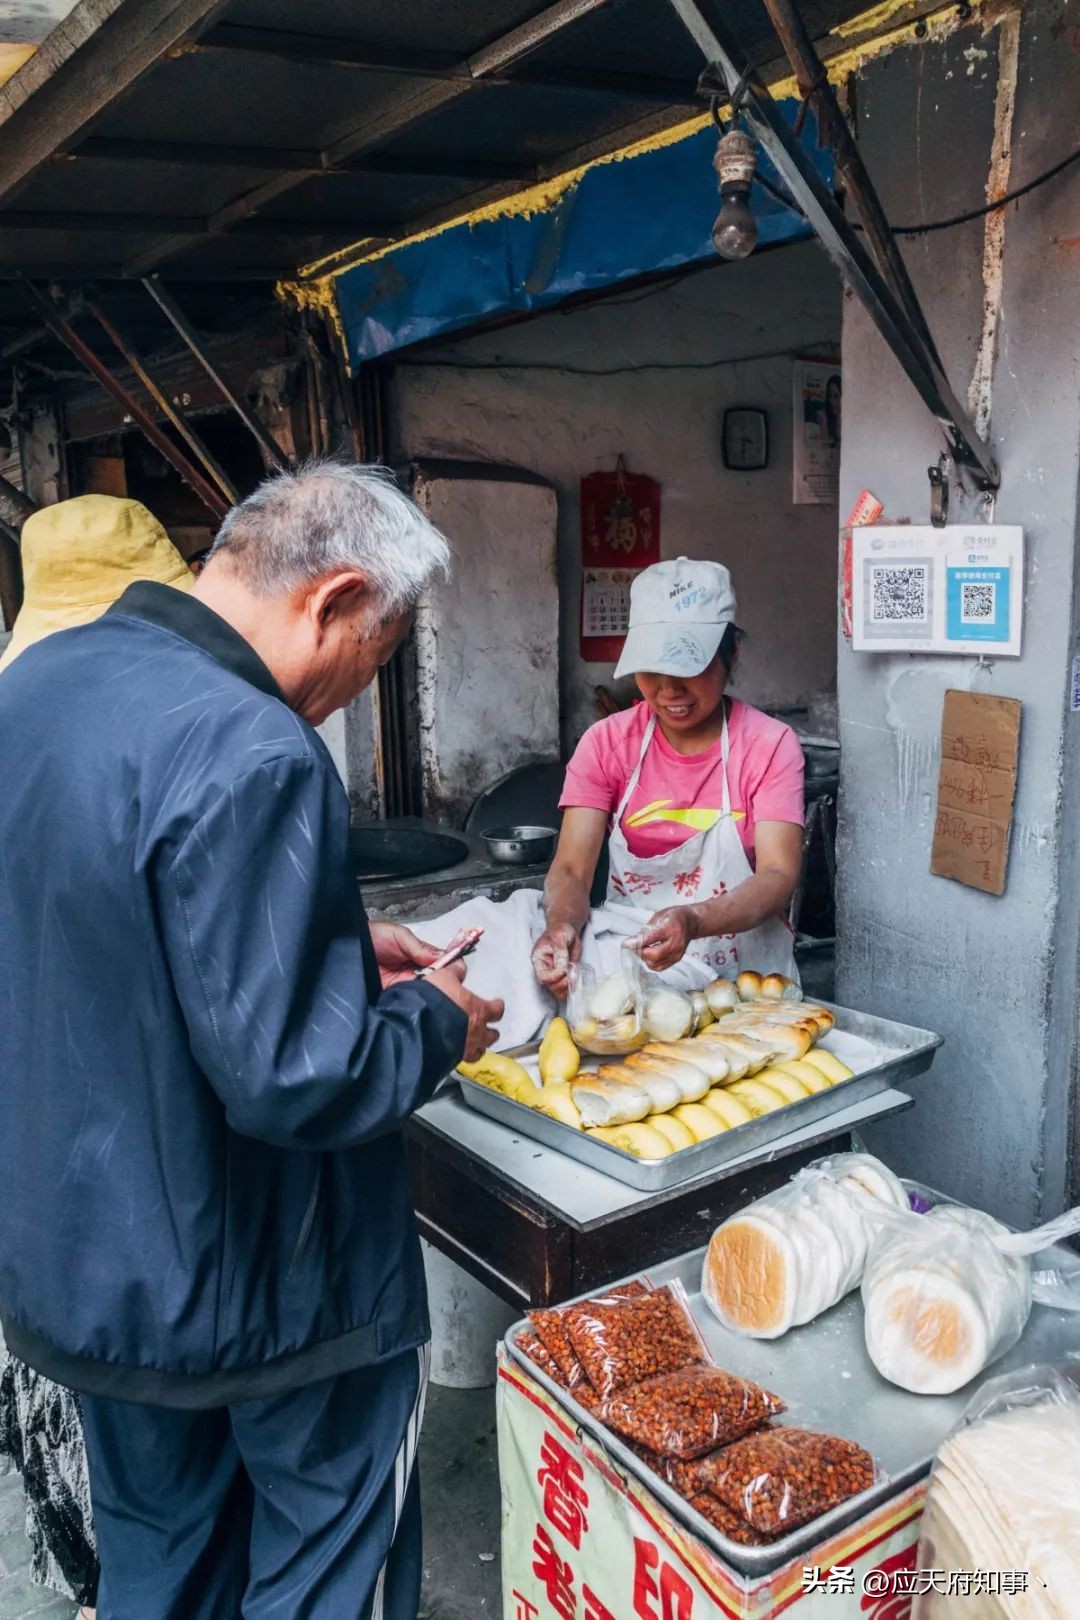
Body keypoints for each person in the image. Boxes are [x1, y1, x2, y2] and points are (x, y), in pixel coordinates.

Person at [0, 461, 502, 1620]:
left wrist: (328, 934)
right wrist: (439, 1021)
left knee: (160, 1570)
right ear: (330, 600)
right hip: (271, 1298)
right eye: (379, 649)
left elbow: (97, 929)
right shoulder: (254, 744)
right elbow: (299, 1080)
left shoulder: (38, 692)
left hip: (96, 1280)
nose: (359, 683)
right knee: (324, 1563)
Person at [0, 492, 201, 1620]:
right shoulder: (132, 738)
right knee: (143, 1498)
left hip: (41, 1207)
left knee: (122, 1511)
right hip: (104, 1206)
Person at [532, 557, 805, 998]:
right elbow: (570, 869)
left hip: (749, 990)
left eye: (688, 668)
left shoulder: (769, 745)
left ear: (730, 653)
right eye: (651, 669)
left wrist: (693, 920)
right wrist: (561, 925)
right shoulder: (607, 743)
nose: (668, 690)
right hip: (633, 983)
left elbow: (777, 875)